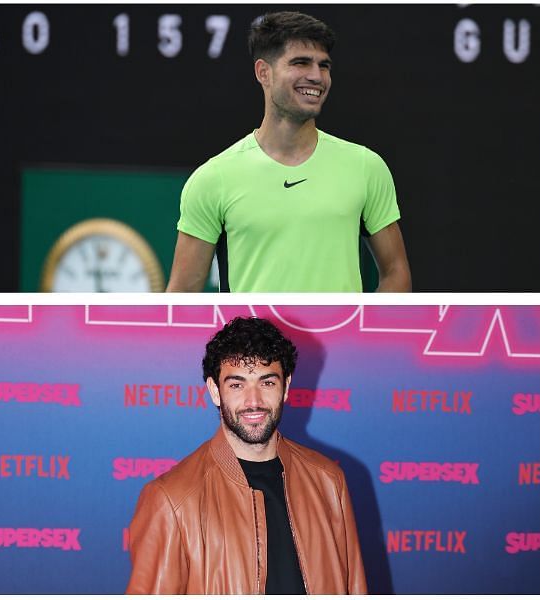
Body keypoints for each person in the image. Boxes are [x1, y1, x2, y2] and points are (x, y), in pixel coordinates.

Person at [166, 11, 411, 293]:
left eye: (324, 66)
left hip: (340, 340)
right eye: (300, 63)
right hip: (250, 339)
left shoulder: (366, 166)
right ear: (263, 73)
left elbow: (396, 272)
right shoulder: (213, 178)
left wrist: (361, 335)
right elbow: (181, 297)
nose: (317, 77)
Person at [126, 316, 367, 594]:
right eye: (237, 385)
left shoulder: (329, 482)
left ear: (286, 387)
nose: (254, 402)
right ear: (215, 391)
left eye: (266, 383)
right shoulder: (171, 499)